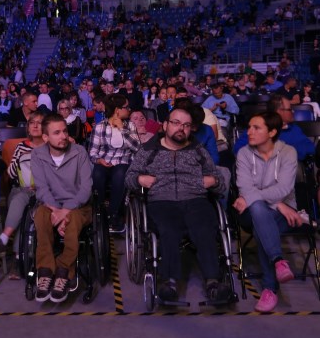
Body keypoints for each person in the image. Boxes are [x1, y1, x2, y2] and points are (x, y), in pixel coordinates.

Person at [124, 108, 231, 304]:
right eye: (176, 123)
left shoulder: (199, 150)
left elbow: (219, 182)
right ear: (165, 125)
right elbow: (129, 178)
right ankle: (169, 282)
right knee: (169, 229)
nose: (181, 128)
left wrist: (214, 182)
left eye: (186, 125)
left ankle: (213, 282)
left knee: (205, 228)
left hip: (195, 198)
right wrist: (139, 178)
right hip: (162, 200)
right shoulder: (148, 150)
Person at [233, 112, 300, 312]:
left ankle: (270, 289)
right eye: (249, 127)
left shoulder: (289, 153)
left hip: (284, 214)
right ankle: (278, 261)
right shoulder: (244, 154)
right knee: (258, 210)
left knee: (261, 224)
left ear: (272, 132)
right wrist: (278, 204)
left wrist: (269, 202)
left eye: (256, 128)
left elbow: (284, 189)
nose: (249, 132)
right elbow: (244, 187)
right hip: (260, 212)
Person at [31, 114, 93, 303]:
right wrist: (57, 212)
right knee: (40, 214)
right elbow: (41, 189)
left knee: (73, 218)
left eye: (65, 131)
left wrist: (64, 212)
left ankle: (64, 270)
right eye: (56, 133)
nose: (63, 136)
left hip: (79, 205)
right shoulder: (37, 154)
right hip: (51, 205)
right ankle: (45, 271)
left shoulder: (79, 152)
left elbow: (86, 189)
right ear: (45, 138)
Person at [0, 112, 46, 279]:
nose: (34, 125)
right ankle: (16, 257)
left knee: (24, 212)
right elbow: (11, 174)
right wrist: (19, 159)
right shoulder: (21, 146)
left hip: (43, 192)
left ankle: (5, 242)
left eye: (39, 123)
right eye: (32, 122)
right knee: (20, 202)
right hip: (21, 189)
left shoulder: (50, 147)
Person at [89, 93, 140, 232]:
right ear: (117, 110)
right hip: (104, 161)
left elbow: (137, 147)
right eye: (126, 107)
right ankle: (99, 212)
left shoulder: (130, 126)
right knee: (97, 174)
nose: (128, 110)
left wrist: (122, 130)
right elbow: (92, 153)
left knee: (120, 174)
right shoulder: (100, 127)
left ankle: (114, 214)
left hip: (123, 161)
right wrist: (99, 160)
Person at [234, 94, 314, 162]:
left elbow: (311, 148)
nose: (293, 112)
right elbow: (238, 149)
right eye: (289, 109)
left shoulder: (294, 129)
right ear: (279, 112)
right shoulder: (256, 128)